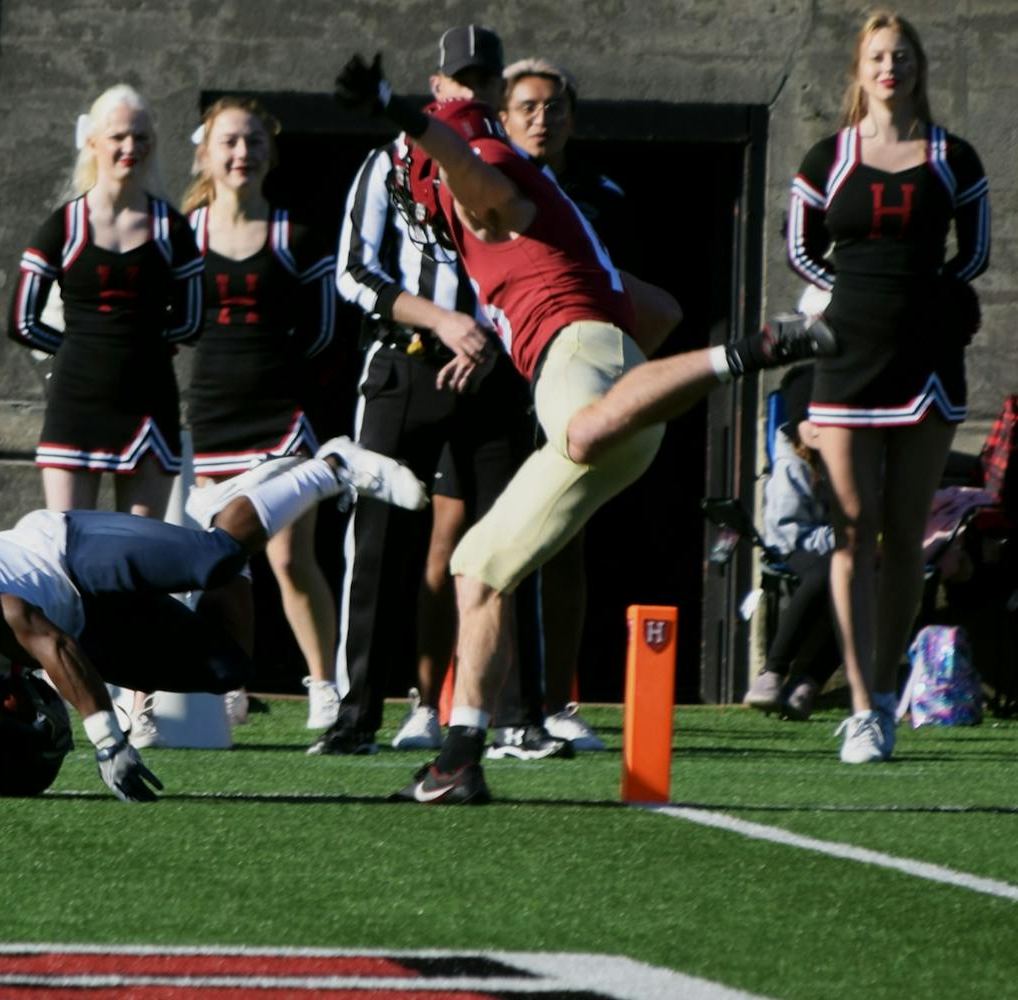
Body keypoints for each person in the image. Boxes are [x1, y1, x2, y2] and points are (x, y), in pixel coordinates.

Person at [333, 52, 833, 803]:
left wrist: (397, 111)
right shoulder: (551, 237)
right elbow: (659, 309)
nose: (443, 199)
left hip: (586, 376)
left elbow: (476, 175)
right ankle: (460, 756)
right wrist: (623, 367)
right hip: (616, 389)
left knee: (581, 434)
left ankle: (753, 350)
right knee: (478, 564)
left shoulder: (504, 185)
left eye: (439, 183)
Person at [0, 438, 426, 801]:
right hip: (86, 632)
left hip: (61, 558)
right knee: (232, 663)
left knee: (213, 558)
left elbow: (34, 630)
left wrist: (107, 739)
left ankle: (333, 467)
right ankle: (231, 504)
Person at [316, 26, 546, 759]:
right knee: (378, 543)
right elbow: (353, 272)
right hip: (406, 366)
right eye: (462, 78)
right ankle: (357, 718)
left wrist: (489, 341)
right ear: (439, 84)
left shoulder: (512, 165)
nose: (472, 91)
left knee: (515, 537)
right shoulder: (388, 162)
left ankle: (518, 716)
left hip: (493, 369)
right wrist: (445, 322)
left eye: (486, 79)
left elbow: (541, 274)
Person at [786, 12, 988, 763]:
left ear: (919, 68)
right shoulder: (827, 157)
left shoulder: (953, 157)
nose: (890, 68)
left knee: (905, 535)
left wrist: (934, 302)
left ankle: (882, 686)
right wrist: (846, 304)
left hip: (927, 357)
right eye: (877, 57)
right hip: (846, 356)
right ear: (859, 69)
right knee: (849, 529)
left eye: (902, 57)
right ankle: (862, 708)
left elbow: (975, 253)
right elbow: (802, 249)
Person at [7, 84, 204, 743]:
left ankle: (136, 702)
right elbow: (22, 319)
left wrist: (138, 349)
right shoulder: (63, 224)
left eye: (141, 136)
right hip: (76, 410)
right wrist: (86, 353)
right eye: (118, 135)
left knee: (143, 563)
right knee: (59, 557)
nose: (130, 147)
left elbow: (195, 316)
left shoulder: (172, 226)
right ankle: (65, 691)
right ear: (91, 143)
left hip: (150, 406)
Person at [481, 56, 662, 753]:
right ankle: (460, 698)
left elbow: (635, 296)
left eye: (554, 106)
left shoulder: (603, 193)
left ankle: (555, 699)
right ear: (503, 115)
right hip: (498, 373)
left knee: (564, 539)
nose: (541, 117)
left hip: (574, 378)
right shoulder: (482, 180)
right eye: (526, 105)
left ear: (573, 118)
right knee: (479, 538)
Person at [180, 97, 341, 729]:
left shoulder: (295, 237)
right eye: (229, 143)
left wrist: (273, 366)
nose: (241, 153)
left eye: (252, 142)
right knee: (224, 563)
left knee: (289, 558)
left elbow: (325, 331)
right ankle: (232, 686)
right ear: (206, 154)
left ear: (269, 153)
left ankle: (326, 688)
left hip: (279, 421)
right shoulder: (181, 236)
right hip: (211, 423)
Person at [743, 365, 841, 720]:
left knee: (866, 584)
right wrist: (843, 538)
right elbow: (787, 530)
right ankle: (772, 671)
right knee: (829, 573)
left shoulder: (854, 452)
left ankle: (808, 683)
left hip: (846, 547)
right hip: (797, 543)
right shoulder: (793, 463)